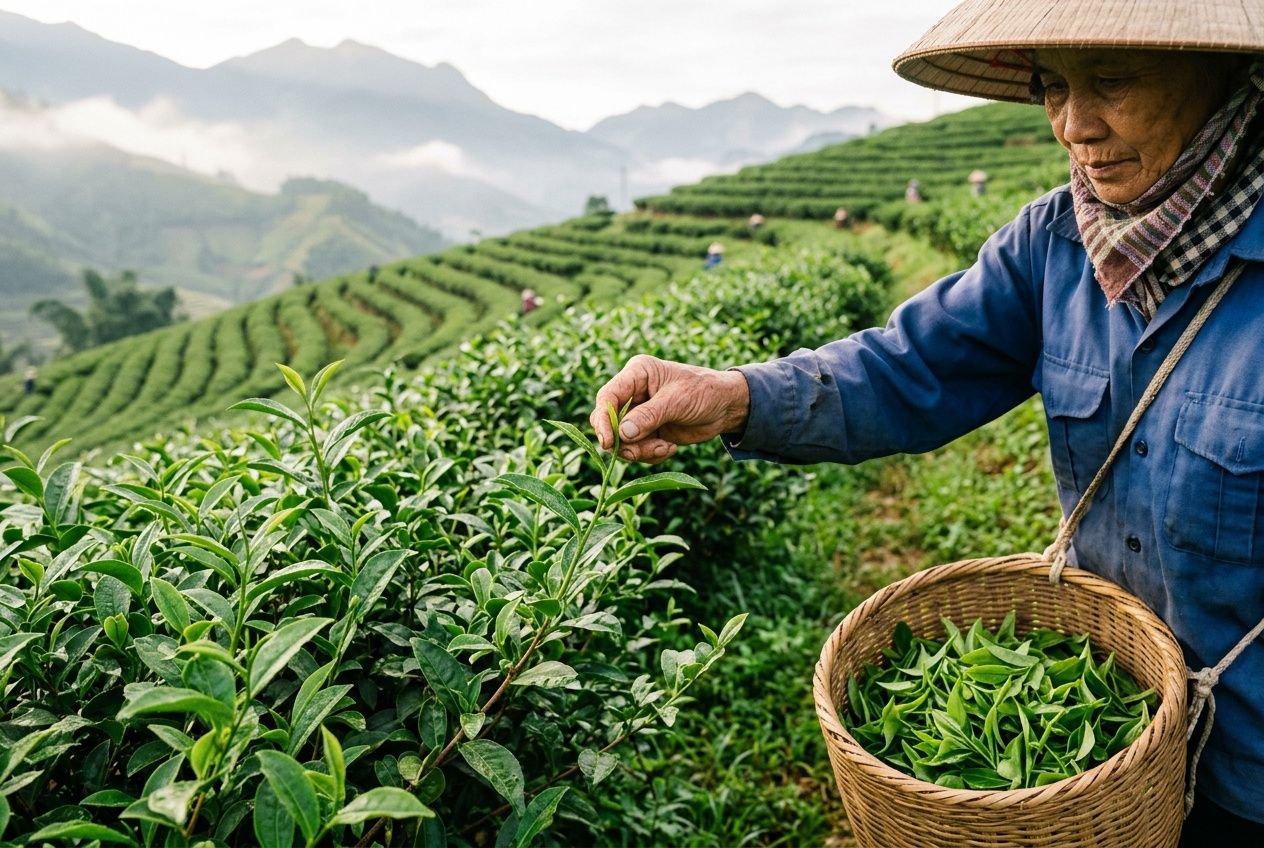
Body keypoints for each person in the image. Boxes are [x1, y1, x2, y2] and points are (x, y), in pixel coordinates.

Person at [589, 2, 1264, 844]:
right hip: (1105, 726)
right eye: (1054, 88)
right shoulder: (1056, 245)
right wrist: (735, 395)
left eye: (1114, 83)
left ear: (1224, 74)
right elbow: (908, 366)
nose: (1076, 127)